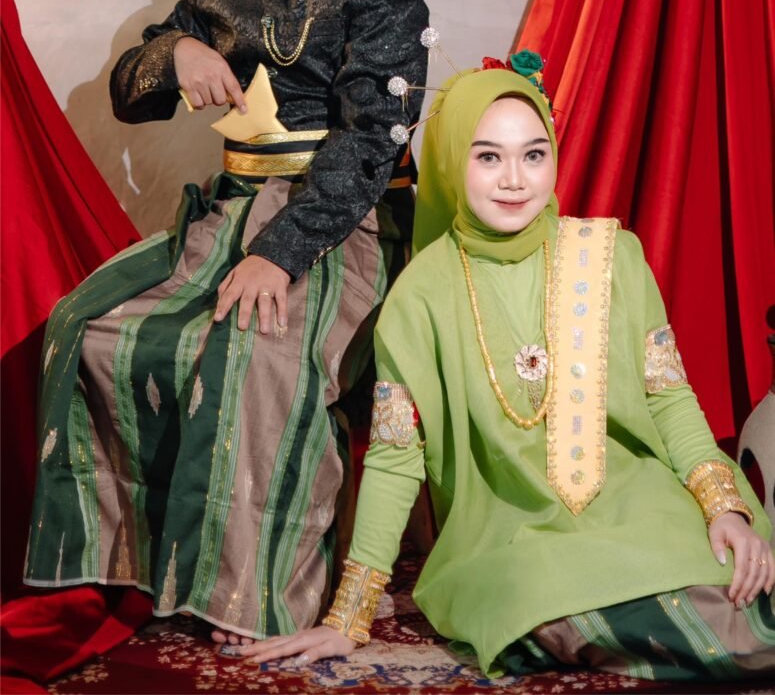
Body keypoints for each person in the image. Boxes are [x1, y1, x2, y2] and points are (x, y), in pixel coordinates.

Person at [24, 0, 429, 645]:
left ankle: (252, 592)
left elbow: (370, 144)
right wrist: (175, 50)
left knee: (258, 351)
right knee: (83, 328)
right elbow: (129, 94)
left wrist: (279, 253)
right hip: (232, 213)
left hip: (346, 224)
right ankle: (138, 564)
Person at [237, 57, 775, 682]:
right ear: (450, 162)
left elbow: (669, 399)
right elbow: (395, 455)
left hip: (637, 502)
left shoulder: (612, 257)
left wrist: (724, 508)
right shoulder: (421, 296)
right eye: (488, 157)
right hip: (511, 537)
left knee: (730, 570)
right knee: (537, 591)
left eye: (534, 155)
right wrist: (348, 616)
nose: (515, 179)